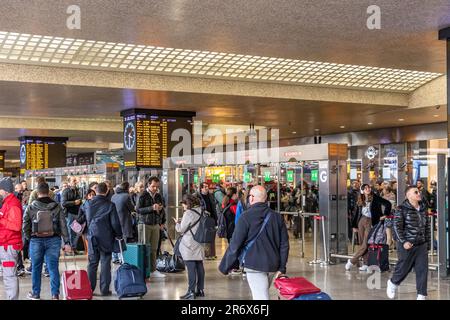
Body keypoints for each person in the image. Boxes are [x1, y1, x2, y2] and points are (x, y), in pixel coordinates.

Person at [219, 186, 289, 300]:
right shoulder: (277, 217)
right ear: (265, 198)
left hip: (254, 264)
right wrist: (282, 267)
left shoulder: (245, 217)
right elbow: (284, 245)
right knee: (262, 294)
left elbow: (235, 244)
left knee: (261, 297)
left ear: (251, 198)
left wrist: (225, 266)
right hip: (273, 265)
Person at [23, 183, 72, 300]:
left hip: (36, 240)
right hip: (54, 240)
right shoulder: (57, 206)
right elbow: (63, 225)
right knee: (53, 267)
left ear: (37, 192)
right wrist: (66, 242)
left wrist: (30, 237)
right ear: (49, 192)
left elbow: (25, 225)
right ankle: (55, 294)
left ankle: (36, 293)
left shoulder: (31, 207)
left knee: (36, 267)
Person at [387, 186, 430, 300]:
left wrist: (428, 244)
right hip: (407, 244)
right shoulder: (401, 209)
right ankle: (393, 283)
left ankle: (421, 295)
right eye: (415, 192)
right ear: (408, 195)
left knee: (422, 270)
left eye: (419, 191)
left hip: (421, 244)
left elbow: (427, 228)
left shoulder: (423, 209)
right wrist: (404, 241)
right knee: (403, 268)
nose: (418, 193)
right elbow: (396, 227)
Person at [85, 182, 122, 296]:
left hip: (92, 236)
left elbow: (86, 219)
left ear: (95, 191)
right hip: (106, 237)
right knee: (105, 263)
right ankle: (104, 290)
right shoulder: (110, 205)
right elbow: (115, 223)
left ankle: (89, 289)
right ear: (106, 191)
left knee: (92, 263)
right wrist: (119, 234)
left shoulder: (88, 204)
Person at [345, 183, 392, 272]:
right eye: (365, 188)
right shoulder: (360, 198)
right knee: (362, 242)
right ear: (362, 190)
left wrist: (385, 215)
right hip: (361, 221)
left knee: (366, 244)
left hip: (371, 221)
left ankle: (351, 261)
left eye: (369, 187)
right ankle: (366, 263)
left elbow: (388, 204)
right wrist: (354, 225)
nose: (368, 189)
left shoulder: (375, 197)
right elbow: (356, 213)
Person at [173, 194, 206, 300]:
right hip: (199, 241)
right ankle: (200, 290)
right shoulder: (201, 211)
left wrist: (177, 224)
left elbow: (181, 229)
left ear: (187, 203)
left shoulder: (188, 213)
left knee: (191, 267)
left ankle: (191, 291)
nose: (183, 206)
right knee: (199, 265)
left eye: (183, 204)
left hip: (189, 243)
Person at [136, 176, 167, 279]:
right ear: (148, 185)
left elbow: (163, 209)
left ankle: (153, 270)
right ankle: (144, 270)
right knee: (144, 248)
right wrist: (151, 208)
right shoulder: (142, 195)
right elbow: (138, 210)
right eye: (153, 186)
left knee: (154, 248)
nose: (155, 188)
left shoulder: (158, 196)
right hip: (145, 224)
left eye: (157, 187)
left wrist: (162, 222)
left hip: (155, 224)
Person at [0, 177, 23, 300]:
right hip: (5, 244)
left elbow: (16, 225)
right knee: (8, 276)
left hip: (9, 246)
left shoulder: (13, 203)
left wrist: (1, 219)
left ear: (5, 190)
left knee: (10, 276)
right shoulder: (7, 202)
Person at [111, 182, 134, 264]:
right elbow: (132, 208)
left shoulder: (113, 196)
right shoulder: (126, 196)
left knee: (115, 238)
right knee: (123, 240)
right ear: (127, 188)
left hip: (114, 220)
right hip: (123, 220)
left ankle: (114, 257)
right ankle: (122, 259)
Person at [196, 182, 218, 260]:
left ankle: (212, 254)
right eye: (205, 187)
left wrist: (216, 219)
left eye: (207, 187)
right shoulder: (198, 197)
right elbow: (198, 207)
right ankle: (206, 254)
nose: (206, 188)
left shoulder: (210, 196)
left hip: (211, 218)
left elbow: (214, 207)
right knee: (205, 236)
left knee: (212, 235)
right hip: (203, 219)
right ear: (201, 188)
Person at [62, 177, 82, 252]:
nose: (75, 182)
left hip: (77, 213)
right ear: (69, 182)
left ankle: (74, 247)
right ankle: (70, 249)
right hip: (70, 214)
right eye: (74, 181)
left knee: (77, 231)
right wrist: (74, 202)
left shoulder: (77, 190)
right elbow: (63, 203)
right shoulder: (66, 191)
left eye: (76, 180)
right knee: (70, 232)